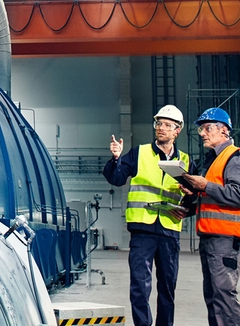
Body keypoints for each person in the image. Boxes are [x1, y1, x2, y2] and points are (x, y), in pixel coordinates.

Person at [102, 104, 193, 326]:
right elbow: (117, 178)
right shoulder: (139, 153)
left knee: (167, 287)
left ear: (177, 130)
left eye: (167, 125)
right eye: (158, 124)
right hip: (143, 230)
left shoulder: (186, 161)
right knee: (140, 286)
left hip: (169, 230)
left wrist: (187, 207)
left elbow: (194, 196)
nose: (161, 128)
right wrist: (116, 159)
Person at [178, 107, 240, 326]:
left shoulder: (235, 157)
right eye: (201, 129)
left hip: (226, 239)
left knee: (223, 295)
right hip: (212, 237)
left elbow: (239, 196)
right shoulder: (214, 160)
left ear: (224, 131)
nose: (202, 133)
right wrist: (191, 204)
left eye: (207, 128)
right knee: (213, 294)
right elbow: (214, 200)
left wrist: (206, 186)